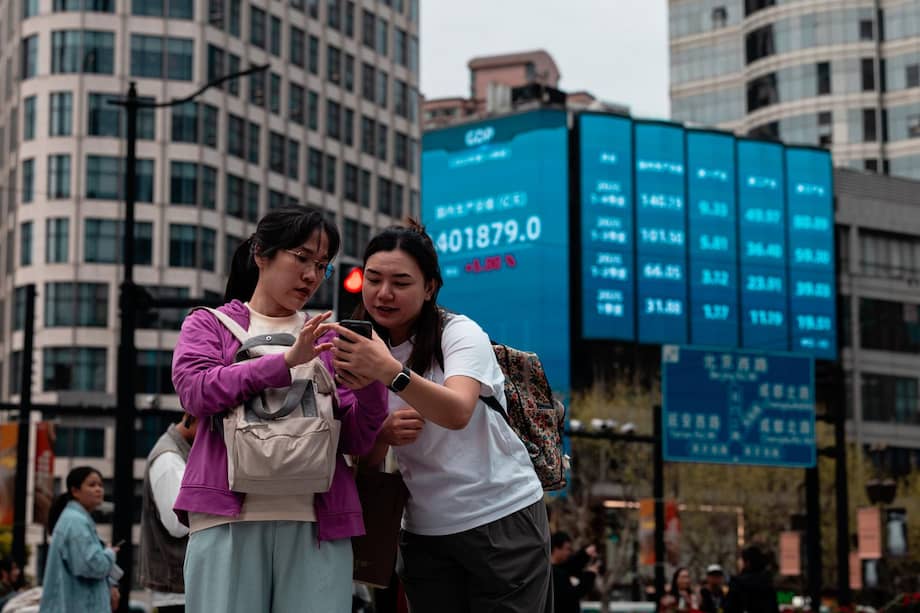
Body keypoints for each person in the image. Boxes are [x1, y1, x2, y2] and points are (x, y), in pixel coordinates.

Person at [171, 206, 388, 613]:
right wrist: (285, 362)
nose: (311, 275)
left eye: (322, 265)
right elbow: (195, 392)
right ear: (261, 253)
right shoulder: (210, 325)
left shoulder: (328, 338)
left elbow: (356, 438)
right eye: (302, 257)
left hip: (318, 521)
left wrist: (375, 383)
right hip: (226, 517)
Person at [329, 221, 553, 613]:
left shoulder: (459, 333)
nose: (384, 293)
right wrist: (381, 433)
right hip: (423, 531)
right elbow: (362, 457)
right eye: (374, 279)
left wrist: (389, 372)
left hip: (503, 517)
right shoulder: (351, 347)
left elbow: (457, 411)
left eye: (401, 282)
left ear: (430, 287)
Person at [137, 413, 198, 613]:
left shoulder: (180, 454)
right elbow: (178, 522)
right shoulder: (169, 459)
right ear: (191, 417)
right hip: (178, 590)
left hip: (181, 587)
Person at [39, 466, 121, 613]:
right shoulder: (76, 522)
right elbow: (93, 566)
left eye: (100, 485)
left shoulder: (75, 519)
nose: (98, 489)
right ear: (75, 491)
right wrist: (109, 554)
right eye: (92, 485)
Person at [550, 531, 600, 613]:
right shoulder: (554, 574)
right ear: (556, 549)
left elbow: (571, 564)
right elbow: (572, 595)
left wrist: (585, 554)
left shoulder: (557, 569)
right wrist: (590, 575)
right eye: (567, 549)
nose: (568, 553)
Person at [724, 546, 779, 613]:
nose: (739, 563)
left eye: (741, 560)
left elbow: (729, 608)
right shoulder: (768, 583)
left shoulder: (738, 583)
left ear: (747, 563)